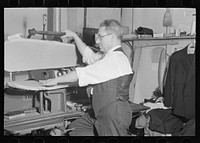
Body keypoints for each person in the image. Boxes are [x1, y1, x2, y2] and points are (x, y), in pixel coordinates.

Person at [40, 19, 133, 136]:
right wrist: (74, 36)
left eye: (100, 37)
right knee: (75, 129)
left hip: (113, 114)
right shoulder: (107, 57)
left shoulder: (116, 59)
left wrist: (55, 80)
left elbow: (81, 74)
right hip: (100, 112)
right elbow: (88, 55)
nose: (97, 41)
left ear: (112, 37)